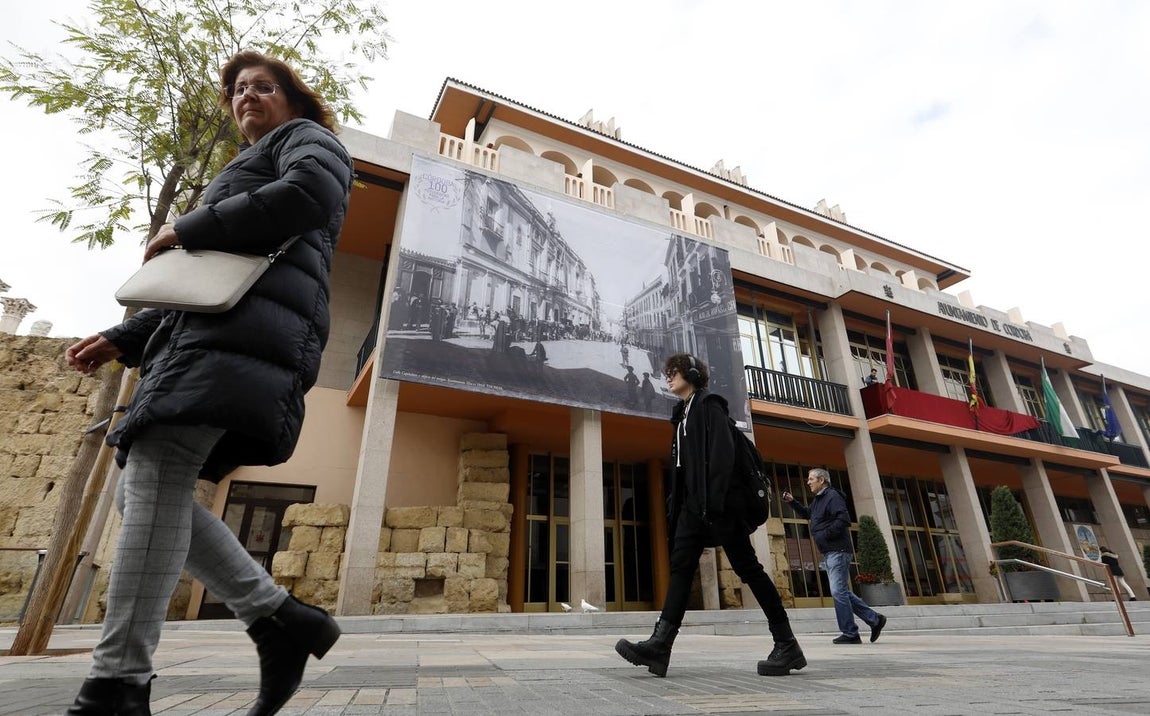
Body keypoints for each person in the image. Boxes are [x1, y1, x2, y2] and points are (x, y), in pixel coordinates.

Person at [62, 50, 353, 716]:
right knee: (142, 496)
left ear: (294, 99)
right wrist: (126, 337)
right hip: (209, 338)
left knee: (155, 475)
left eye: (264, 86)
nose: (247, 96)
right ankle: (280, 618)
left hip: (246, 339)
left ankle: (117, 683)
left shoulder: (308, 140)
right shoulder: (241, 167)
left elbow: (312, 195)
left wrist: (185, 225)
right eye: (238, 90)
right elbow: (208, 279)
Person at [614, 354, 805, 678]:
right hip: (693, 508)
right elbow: (682, 469)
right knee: (680, 568)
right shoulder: (681, 415)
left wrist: (712, 504)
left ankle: (786, 644)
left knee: (749, 569)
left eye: (673, 372)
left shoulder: (709, 406)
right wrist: (680, 509)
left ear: (690, 374)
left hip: (719, 506)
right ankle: (660, 645)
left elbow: (722, 458)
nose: (668, 378)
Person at [783, 469, 887, 644]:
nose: (808, 482)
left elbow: (844, 519)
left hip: (838, 550)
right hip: (830, 551)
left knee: (838, 591)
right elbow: (809, 514)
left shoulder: (832, 496)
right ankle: (874, 619)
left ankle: (850, 633)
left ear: (821, 480)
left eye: (811, 479)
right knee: (842, 591)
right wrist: (793, 502)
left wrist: (825, 535)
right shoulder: (818, 500)